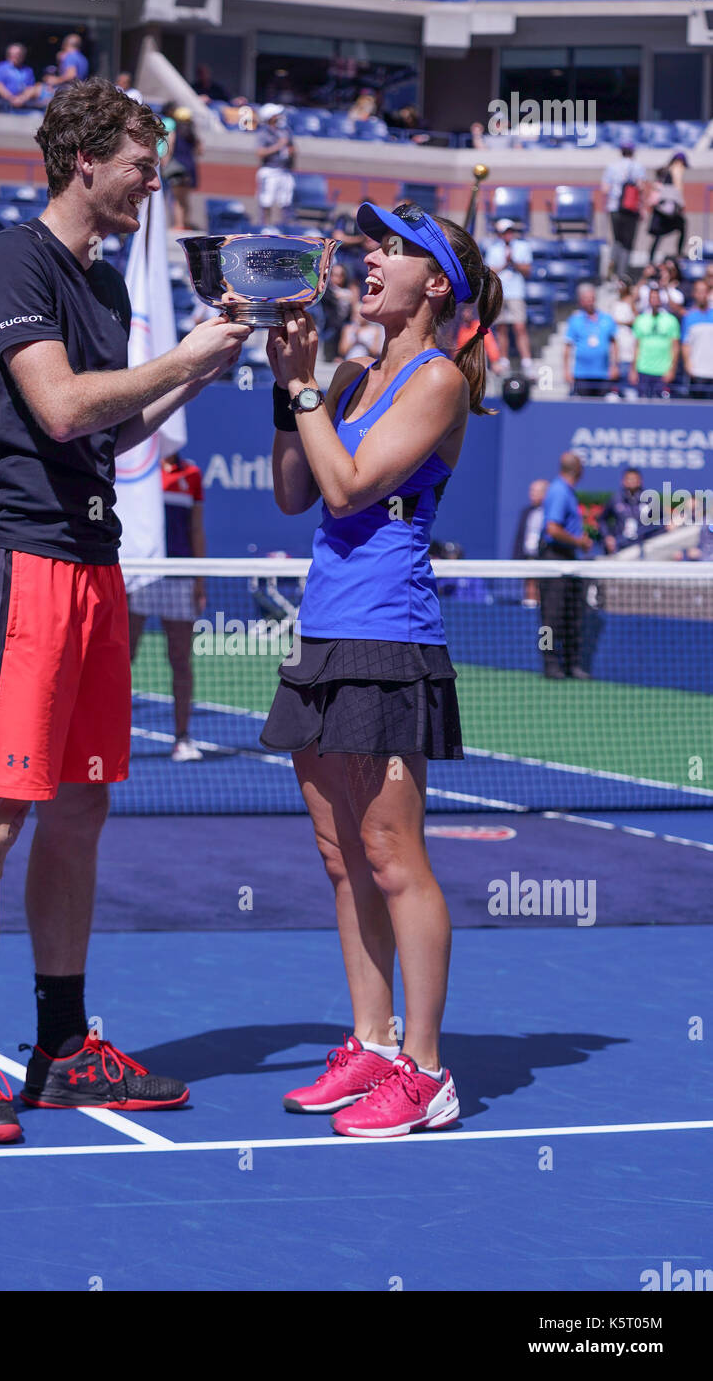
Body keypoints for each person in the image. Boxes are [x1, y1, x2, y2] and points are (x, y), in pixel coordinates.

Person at [0, 77, 251, 1143]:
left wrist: (201, 370)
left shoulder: (106, 288)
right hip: (10, 563)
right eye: (138, 163)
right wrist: (179, 357)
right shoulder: (11, 258)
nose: (150, 181)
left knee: (80, 808)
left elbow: (105, 435)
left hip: (90, 561)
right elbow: (61, 403)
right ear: (83, 161)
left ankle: (64, 1048)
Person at [259, 200, 502, 1137]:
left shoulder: (437, 381)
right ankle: (369, 1043)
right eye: (369, 245)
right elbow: (292, 491)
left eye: (392, 251)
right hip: (323, 633)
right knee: (338, 856)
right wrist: (294, 385)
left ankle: (427, 1070)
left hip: (390, 641)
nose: (369, 258)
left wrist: (310, 394)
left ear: (433, 284)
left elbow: (349, 487)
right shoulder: (355, 373)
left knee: (396, 858)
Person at [127, 451, 207, 761]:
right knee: (124, 657)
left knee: (179, 658)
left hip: (179, 577)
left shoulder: (191, 474)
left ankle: (182, 738)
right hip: (141, 575)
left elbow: (196, 529)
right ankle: (112, 732)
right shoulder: (138, 469)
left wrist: (200, 580)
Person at [537, 452, 592, 680]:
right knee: (550, 617)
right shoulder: (559, 491)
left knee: (571, 612)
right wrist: (580, 541)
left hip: (567, 559)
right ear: (578, 469)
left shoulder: (565, 491)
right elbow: (552, 529)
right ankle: (550, 663)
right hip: (554, 557)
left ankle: (570, 664)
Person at [485, 219, 535, 377]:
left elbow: (527, 270)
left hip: (516, 292)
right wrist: (505, 264)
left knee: (520, 327)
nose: (508, 234)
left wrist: (513, 262)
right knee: (501, 328)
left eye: (510, 231)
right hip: (500, 293)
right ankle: (504, 359)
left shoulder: (523, 247)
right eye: (505, 231)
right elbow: (490, 272)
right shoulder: (493, 249)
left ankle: (527, 361)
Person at [564, 283, 618, 397]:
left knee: (602, 409)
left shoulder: (607, 319)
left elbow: (614, 344)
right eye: (586, 299)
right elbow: (567, 347)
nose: (589, 302)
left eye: (591, 298)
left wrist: (614, 366)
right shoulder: (575, 320)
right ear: (581, 301)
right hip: (582, 373)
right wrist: (566, 370)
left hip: (602, 373)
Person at [601, 142, 645, 282]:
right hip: (630, 209)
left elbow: (605, 189)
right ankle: (622, 273)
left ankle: (613, 261)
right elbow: (641, 188)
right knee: (628, 242)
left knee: (617, 239)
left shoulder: (612, 167)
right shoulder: (637, 167)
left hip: (614, 208)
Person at [630, 285, 680, 399]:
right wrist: (633, 369)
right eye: (652, 297)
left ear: (661, 300)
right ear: (648, 300)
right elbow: (636, 346)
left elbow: (675, 347)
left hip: (663, 370)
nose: (654, 300)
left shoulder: (671, 320)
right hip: (643, 369)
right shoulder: (640, 320)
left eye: (656, 298)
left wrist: (672, 369)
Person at [598, 466, 659, 556]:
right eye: (629, 479)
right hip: (620, 547)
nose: (632, 482)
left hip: (644, 548)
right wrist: (608, 537)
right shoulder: (616, 499)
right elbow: (602, 520)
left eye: (634, 479)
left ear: (640, 481)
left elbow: (661, 522)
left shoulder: (649, 500)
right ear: (623, 481)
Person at [160, 106, 200, 230]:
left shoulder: (175, 132)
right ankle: (185, 222)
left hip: (177, 168)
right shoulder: (192, 135)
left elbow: (169, 146)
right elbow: (199, 150)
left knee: (177, 199)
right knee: (185, 198)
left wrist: (164, 162)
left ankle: (179, 224)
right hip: (190, 168)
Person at [512, 478, 550, 606]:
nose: (531, 494)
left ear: (545, 494)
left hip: (544, 557)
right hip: (528, 555)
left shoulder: (550, 513)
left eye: (535, 491)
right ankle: (530, 608)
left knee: (541, 585)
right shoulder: (526, 512)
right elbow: (520, 536)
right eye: (531, 491)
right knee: (530, 583)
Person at [256, 104, 294, 228]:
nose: (280, 116)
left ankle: (285, 227)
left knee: (286, 201)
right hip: (270, 170)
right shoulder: (264, 133)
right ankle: (265, 227)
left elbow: (292, 147)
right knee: (266, 201)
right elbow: (261, 152)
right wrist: (278, 145)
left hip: (284, 170)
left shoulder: (285, 130)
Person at [646, 153, 687, 264]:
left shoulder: (663, 172)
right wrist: (681, 203)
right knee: (681, 225)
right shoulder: (675, 169)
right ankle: (678, 254)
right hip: (667, 209)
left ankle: (650, 261)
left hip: (660, 209)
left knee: (658, 236)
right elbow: (678, 190)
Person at [681, 278, 713, 399]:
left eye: (704, 291)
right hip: (697, 371)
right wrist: (688, 363)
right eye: (698, 291)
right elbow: (685, 343)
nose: (701, 295)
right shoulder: (689, 317)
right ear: (694, 294)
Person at [0, 43, 40, 110]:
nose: (14, 56)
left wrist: (21, 99)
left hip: (22, 104)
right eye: (11, 54)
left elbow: (30, 88)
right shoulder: (0, 67)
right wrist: (11, 98)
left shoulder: (28, 70)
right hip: (3, 103)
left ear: (23, 55)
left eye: (17, 54)